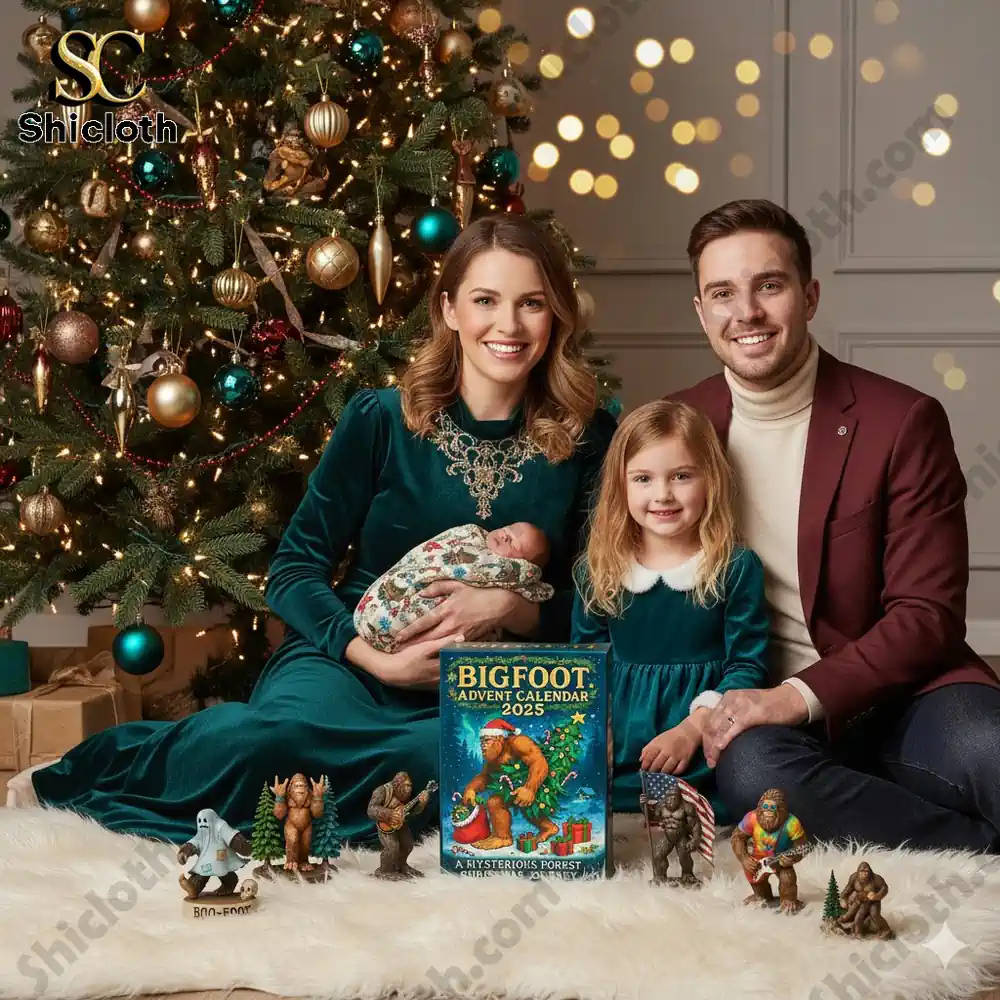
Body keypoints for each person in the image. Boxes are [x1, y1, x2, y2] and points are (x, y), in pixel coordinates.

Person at [28, 215, 617, 844]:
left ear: (556, 314)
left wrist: (510, 609)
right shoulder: (380, 419)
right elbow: (293, 571)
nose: (509, 325)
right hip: (348, 660)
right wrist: (375, 661)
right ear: (448, 310)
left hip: (493, 682)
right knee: (274, 748)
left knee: (462, 772)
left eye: (531, 303)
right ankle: (98, 767)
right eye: (485, 301)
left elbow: (596, 606)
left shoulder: (590, 439)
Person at [673, 197, 1000, 852]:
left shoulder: (901, 420)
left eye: (770, 285)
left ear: (809, 294)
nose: (747, 314)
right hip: (764, 717)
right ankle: (980, 856)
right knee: (758, 778)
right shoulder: (677, 428)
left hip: (905, 695)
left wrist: (798, 695)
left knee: (993, 749)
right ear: (702, 311)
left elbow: (927, 616)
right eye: (723, 293)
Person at [571, 398, 770, 821]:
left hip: (701, 733)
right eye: (643, 478)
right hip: (620, 739)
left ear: (709, 480)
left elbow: (748, 667)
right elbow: (585, 663)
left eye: (680, 476)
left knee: (709, 802)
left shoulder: (734, 568)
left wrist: (692, 730)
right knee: (598, 804)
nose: (662, 494)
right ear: (620, 487)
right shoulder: (599, 569)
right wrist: (596, 728)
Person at [353, 521, 553, 653]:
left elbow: (525, 583)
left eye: (516, 546)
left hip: (420, 648)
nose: (508, 536)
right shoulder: (469, 535)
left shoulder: (505, 570)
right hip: (366, 620)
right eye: (511, 528)